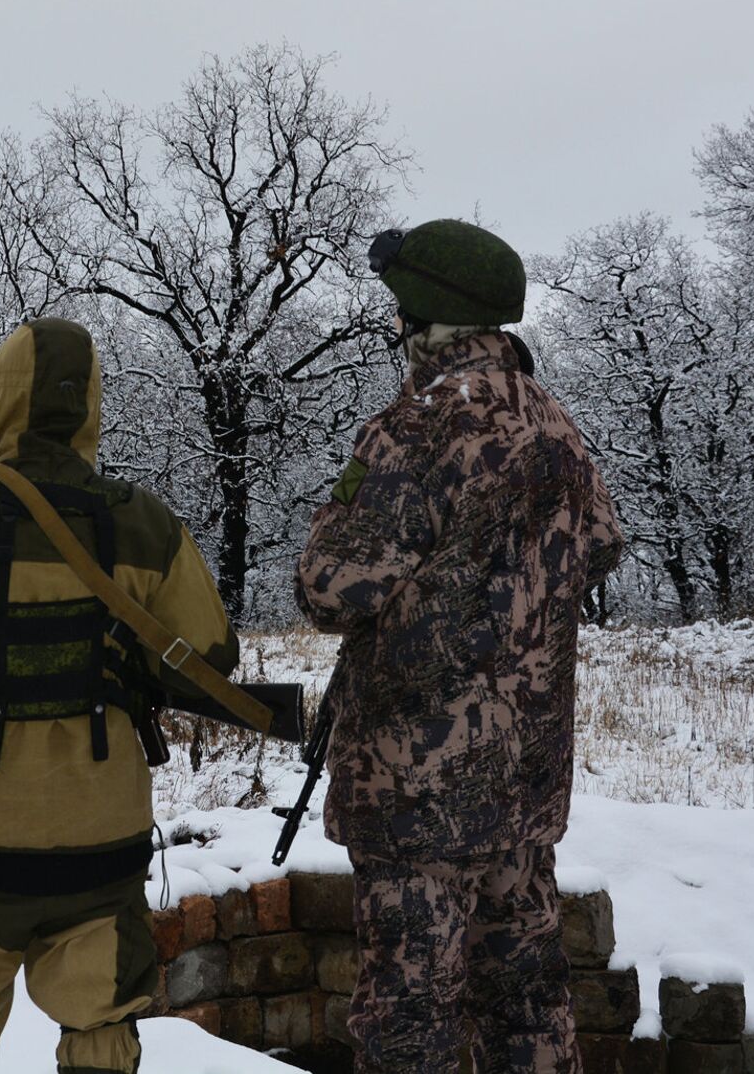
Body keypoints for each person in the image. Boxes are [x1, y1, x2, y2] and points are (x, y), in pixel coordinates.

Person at [0, 316, 239, 1074]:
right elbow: (209, 660)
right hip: (101, 849)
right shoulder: (148, 523)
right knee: (101, 1032)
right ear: (91, 407)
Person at [295, 220, 625, 1074]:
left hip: (418, 790)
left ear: (422, 316)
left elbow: (330, 587)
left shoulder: (417, 426)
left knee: (412, 1025)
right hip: (524, 781)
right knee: (529, 1008)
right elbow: (602, 542)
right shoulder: (554, 423)